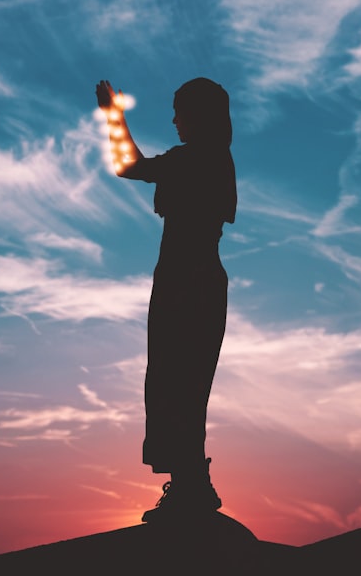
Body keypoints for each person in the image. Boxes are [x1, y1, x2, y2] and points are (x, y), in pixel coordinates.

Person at [95, 78, 237, 522]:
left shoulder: (198, 159)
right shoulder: (212, 159)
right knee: (180, 386)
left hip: (186, 282)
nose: (174, 120)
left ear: (200, 115)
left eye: (180, 111)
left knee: (179, 384)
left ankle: (192, 486)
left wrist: (112, 116)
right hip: (192, 280)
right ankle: (189, 483)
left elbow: (127, 165)